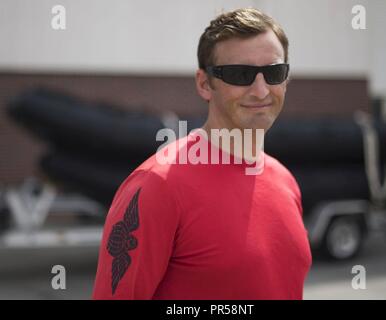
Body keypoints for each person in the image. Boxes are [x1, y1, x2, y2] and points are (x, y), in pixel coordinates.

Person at [92, 7, 312, 300]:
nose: (261, 90)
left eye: (274, 73)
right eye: (240, 74)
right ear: (204, 84)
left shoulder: (285, 180)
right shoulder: (156, 185)